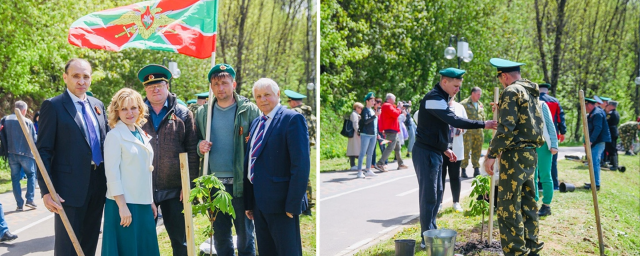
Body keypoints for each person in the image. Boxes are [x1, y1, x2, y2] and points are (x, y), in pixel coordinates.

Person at [413, 67, 496, 248]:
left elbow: (433, 128)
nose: (458, 89)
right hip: (425, 152)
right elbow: (454, 120)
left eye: (459, 86)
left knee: (437, 193)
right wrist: (484, 124)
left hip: (435, 151)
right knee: (429, 196)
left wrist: (444, 148)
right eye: (456, 86)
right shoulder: (434, 98)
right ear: (444, 82)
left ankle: (431, 230)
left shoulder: (443, 98)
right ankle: (425, 239)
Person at [37, 58, 109, 256]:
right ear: (65, 77)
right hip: (68, 190)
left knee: (90, 241)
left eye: (86, 76)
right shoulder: (53, 106)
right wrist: (46, 190)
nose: (81, 81)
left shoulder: (97, 105)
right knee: (68, 247)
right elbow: (43, 151)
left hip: (97, 185)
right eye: (76, 76)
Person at [195, 64, 260, 256]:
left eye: (225, 83)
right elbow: (195, 142)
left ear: (234, 84)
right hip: (214, 185)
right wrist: (200, 146)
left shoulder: (249, 111)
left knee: (245, 234)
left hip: (242, 183)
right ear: (211, 87)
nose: (220, 88)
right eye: (216, 84)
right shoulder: (203, 113)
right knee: (221, 236)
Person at [483, 58, 545, 256]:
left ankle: (516, 252)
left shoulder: (511, 91)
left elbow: (506, 129)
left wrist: (491, 154)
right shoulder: (531, 91)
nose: (502, 84)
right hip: (530, 154)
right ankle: (532, 247)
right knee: (528, 204)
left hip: (514, 156)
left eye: (501, 80)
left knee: (508, 207)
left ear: (504, 76)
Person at [243, 78, 310, 256]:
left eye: (267, 95)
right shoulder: (256, 123)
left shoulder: (292, 119)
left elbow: (301, 165)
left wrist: (293, 204)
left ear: (278, 94)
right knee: (266, 251)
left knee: (288, 251)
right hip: (259, 203)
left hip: (282, 205)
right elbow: (251, 162)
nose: (262, 99)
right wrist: (250, 202)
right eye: (258, 96)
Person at [139, 64, 199, 256]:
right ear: (145, 90)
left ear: (167, 86)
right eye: (150, 86)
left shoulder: (183, 113)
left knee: (179, 241)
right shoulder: (136, 114)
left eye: (159, 85)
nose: (155, 89)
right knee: (144, 241)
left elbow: (192, 150)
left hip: (175, 190)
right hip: (144, 189)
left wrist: (187, 184)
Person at [101, 88, 159, 256]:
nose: (129, 112)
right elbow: (112, 174)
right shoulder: (115, 135)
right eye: (124, 108)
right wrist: (122, 206)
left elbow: (144, 171)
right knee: (127, 250)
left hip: (142, 203)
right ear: (116, 111)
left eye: (133, 107)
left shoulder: (140, 133)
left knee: (144, 249)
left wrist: (150, 201)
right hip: (124, 204)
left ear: (140, 109)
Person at [3, 101, 38, 211]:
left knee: (15, 179)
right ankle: (30, 199)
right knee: (31, 175)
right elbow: (34, 139)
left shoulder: (5, 120)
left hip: (11, 153)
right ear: (24, 110)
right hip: (26, 153)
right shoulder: (27, 121)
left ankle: (19, 203)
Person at [538, 83, 566, 190]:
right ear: (547, 91)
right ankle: (554, 183)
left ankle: (540, 183)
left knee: (539, 160)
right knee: (553, 160)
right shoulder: (554, 101)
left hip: (539, 134)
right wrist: (562, 132)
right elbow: (560, 118)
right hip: (552, 132)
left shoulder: (534, 100)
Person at [441, 98, 467, 212]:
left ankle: (456, 202)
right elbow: (418, 115)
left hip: (455, 147)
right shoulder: (437, 105)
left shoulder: (459, 107)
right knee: (440, 177)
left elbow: (466, 123)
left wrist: (462, 129)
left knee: (455, 176)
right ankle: (439, 203)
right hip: (441, 148)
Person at [535, 99, 558, 217]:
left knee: (545, 175)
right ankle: (533, 204)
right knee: (531, 176)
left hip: (543, 144)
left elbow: (550, 124)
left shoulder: (542, 104)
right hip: (528, 144)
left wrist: (554, 144)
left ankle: (546, 205)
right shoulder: (520, 103)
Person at [583, 97, 611, 190]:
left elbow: (597, 128)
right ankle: (594, 182)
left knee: (594, 162)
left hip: (598, 141)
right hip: (596, 141)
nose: (585, 107)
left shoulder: (597, 113)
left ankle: (596, 184)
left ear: (590, 105)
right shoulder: (594, 112)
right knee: (593, 162)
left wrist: (590, 140)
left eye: (586, 105)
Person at [375, 93, 408, 171]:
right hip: (391, 129)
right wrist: (399, 108)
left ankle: (400, 163)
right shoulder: (387, 105)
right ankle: (380, 163)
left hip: (393, 129)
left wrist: (398, 108)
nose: (395, 101)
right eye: (394, 99)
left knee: (398, 147)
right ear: (390, 99)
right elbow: (396, 114)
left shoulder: (388, 106)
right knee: (390, 147)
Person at [460, 87, 485, 178]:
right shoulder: (464, 104)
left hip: (479, 132)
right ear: (473, 93)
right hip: (468, 132)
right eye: (478, 94)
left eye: (480, 94)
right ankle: (463, 169)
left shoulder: (480, 104)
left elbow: (482, 117)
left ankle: (476, 169)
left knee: (477, 150)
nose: (479, 96)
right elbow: (459, 117)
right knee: (466, 151)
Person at [356, 92, 378, 178]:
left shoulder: (372, 110)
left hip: (373, 134)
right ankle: (359, 171)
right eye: (372, 100)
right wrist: (374, 116)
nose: (373, 102)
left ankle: (368, 169)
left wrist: (378, 133)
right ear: (367, 101)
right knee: (363, 153)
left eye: (374, 100)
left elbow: (375, 123)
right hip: (366, 134)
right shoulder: (365, 110)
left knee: (370, 153)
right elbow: (365, 121)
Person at [605, 101, 620, 170]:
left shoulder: (611, 113)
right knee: (612, 148)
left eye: (609, 105)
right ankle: (612, 163)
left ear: (612, 106)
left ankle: (615, 165)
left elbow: (607, 121)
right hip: (613, 131)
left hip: (611, 132)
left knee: (612, 148)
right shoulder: (616, 113)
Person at [347, 102, 362, 170]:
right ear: (356, 108)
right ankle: (352, 165)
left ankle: (356, 164)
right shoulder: (354, 114)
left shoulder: (356, 114)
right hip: (354, 134)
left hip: (355, 134)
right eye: (360, 108)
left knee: (355, 148)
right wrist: (358, 132)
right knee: (353, 149)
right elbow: (355, 124)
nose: (361, 109)